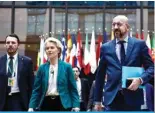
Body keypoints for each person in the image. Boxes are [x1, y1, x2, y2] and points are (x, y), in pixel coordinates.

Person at [94, 15, 154, 111]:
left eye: (119, 24)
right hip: (111, 99)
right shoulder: (105, 47)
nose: (116, 27)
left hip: (133, 98)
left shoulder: (139, 45)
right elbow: (100, 75)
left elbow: (151, 68)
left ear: (127, 27)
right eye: (114, 25)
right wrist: (97, 101)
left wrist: (140, 80)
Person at [28, 37, 80, 111]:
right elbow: (36, 90)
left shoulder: (67, 67)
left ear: (58, 50)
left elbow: (73, 89)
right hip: (45, 103)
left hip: (63, 104)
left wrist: (76, 105)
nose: (49, 50)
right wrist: (31, 106)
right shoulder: (42, 68)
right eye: (47, 48)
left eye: (52, 48)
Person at [0, 34, 34, 111]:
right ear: (5, 45)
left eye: (13, 43)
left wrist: (31, 105)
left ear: (18, 45)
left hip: (19, 100)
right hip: (2, 100)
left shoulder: (27, 62)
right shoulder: (0, 61)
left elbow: (31, 85)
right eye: (8, 43)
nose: (10, 45)